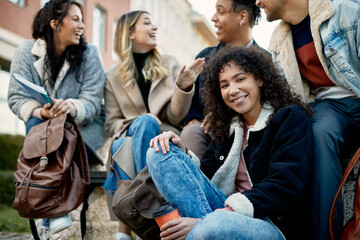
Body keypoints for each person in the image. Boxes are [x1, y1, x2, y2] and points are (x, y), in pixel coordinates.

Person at [146, 46, 315, 240]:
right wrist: (182, 151)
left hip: (269, 222)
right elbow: (204, 179)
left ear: (260, 79)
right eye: (224, 85)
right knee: (158, 152)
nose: (232, 90)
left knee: (214, 226)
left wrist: (210, 220)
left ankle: (202, 230)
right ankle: (202, 231)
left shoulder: (289, 118)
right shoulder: (230, 126)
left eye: (240, 79)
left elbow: (285, 186)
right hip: (220, 212)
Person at [255, 0, 360, 239]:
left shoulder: (344, 11)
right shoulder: (279, 42)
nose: (257, 2)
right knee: (316, 134)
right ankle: (326, 234)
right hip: (330, 108)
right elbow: (281, 98)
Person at [102, 11, 205, 240]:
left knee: (125, 146)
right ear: (130, 33)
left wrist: (182, 87)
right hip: (129, 138)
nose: (155, 27)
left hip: (166, 137)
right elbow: (111, 124)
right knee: (129, 137)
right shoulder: (111, 77)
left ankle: (128, 223)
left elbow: (176, 116)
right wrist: (141, 120)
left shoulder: (169, 63)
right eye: (147, 23)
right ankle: (150, 202)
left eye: (154, 23)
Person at [7, 0, 106, 238]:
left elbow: (92, 102)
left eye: (82, 19)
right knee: (36, 123)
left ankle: (48, 213)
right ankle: (55, 214)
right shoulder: (25, 52)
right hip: (44, 134)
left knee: (53, 135)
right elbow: (16, 97)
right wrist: (41, 111)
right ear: (55, 24)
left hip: (83, 134)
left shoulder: (90, 54)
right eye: (76, 19)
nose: (82, 25)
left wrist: (69, 106)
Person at [180, 0, 264, 159]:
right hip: (211, 140)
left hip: (252, 139)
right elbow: (192, 109)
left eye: (221, 11)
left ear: (243, 16)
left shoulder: (267, 61)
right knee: (191, 132)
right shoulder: (204, 59)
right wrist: (192, 119)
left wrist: (224, 117)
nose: (213, 18)